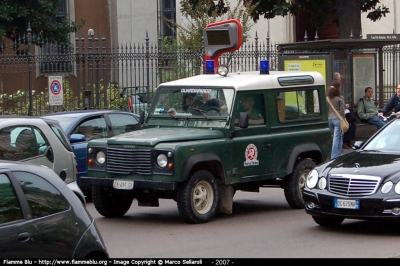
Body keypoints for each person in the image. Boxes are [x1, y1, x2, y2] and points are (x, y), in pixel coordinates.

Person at [327, 81, 345, 159]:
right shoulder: (340, 98)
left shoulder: (328, 98)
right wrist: (343, 118)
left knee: (338, 136)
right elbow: (342, 110)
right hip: (338, 119)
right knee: (337, 137)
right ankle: (334, 155)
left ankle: (338, 153)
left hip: (330, 119)